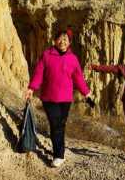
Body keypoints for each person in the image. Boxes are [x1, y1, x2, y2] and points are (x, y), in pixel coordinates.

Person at [24, 28, 94, 168]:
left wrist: (87, 94)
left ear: (69, 43)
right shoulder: (47, 55)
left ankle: (59, 150)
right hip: (49, 98)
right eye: (60, 39)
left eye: (66, 39)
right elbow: (38, 73)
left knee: (60, 125)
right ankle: (58, 155)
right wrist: (31, 88)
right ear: (55, 40)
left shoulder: (72, 59)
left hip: (66, 100)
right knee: (56, 125)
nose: (63, 41)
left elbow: (78, 78)